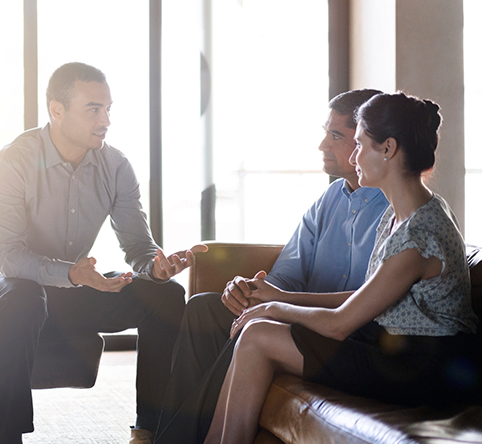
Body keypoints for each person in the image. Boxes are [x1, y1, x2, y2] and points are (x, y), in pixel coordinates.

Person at [205, 92, 479, 443]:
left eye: (359, 144)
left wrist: (275, 306)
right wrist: (278, 299)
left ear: (388, 149)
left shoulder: (420, 233)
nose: (353, 156)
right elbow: (365, 298)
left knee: (258, 334)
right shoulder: (401, 213)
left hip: (422, 366)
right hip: (391, 346)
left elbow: (340, 324)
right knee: (257, 331)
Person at [0, 62, 207, 444]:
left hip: (69, 292)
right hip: (5, 289)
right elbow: (9, 257)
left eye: (109, 109)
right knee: (22, 297)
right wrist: (72, 274)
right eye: (93, 109)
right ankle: (9, 437)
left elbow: (138, 246)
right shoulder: (12, 161)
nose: (106, 120)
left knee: (165, 296)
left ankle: (148, 430)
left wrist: (156, 267)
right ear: (57, 110)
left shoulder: (115, 166)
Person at [154, 88, 387, 442]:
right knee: (204, 308)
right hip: (298, 315)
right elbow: (288, 273)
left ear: (363, 141)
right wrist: (252, 290)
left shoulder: (395, 209)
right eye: (325, 132)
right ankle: (166, 433)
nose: (322, 145)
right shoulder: (328, 200)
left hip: (339, 331)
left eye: (335, 135)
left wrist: (277, 303)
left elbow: (371, 303)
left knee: (256, 325)